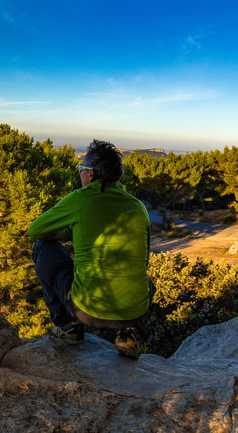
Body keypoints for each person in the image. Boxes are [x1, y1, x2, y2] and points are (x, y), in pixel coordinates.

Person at [27, 139, 151, 358]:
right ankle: (129, 334)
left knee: (42, 246)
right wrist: (78, 230)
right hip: (134, 312)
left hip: (86, 311)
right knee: (145, 280)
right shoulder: (138, 206)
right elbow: (144, 260)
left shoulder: (82, 198)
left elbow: (36, 230)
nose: (79, 174)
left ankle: (68, 326)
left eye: (80, 169)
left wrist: (69, 232)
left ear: (90, 174)